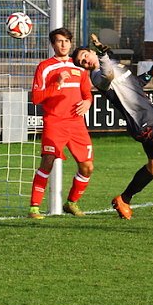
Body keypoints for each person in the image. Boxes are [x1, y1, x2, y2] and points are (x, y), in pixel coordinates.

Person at [71, 34, 153, 218]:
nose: (85, 62)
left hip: (147, 122)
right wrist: (102, 53)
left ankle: (124, 199)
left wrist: (150, 73)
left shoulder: (114, 63)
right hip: (145, 125)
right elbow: (108, 75)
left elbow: (134, 84)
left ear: (90, 52)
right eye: (82, 63)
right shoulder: (97, 77)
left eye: (84, 56)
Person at [29, 27, 93, 220]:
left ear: (70, 43)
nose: (63, 44)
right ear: (53, 44)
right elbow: (36, 98)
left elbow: (87, 94)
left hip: (76, 124)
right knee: (47, 162)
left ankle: (71, 202)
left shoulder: (80, 67)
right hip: (54, 122)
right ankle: (34, 208)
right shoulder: (45, 67)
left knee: (87, 166)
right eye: (59, 41)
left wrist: (88, 102)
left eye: (66, 41)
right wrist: (55, 83)